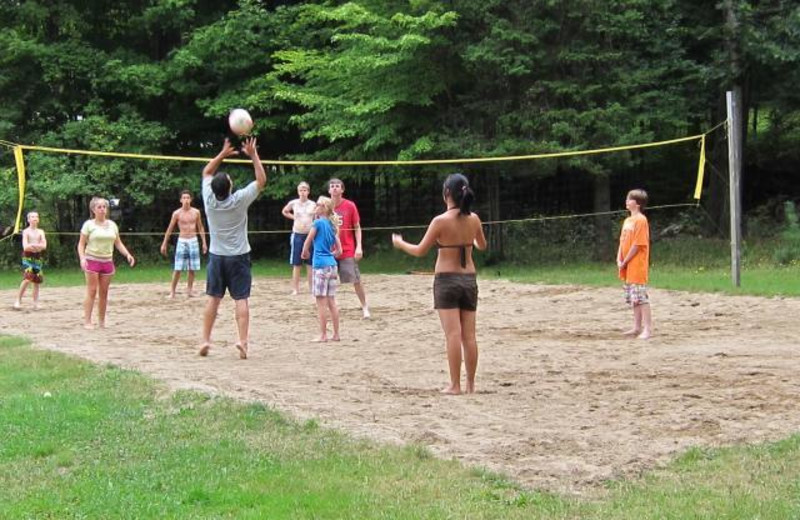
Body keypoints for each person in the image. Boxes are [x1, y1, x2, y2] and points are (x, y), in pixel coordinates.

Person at [392, 173, 487, 395]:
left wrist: (400, 243)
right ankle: (471, 385)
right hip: (469, 280)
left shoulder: (440, 221)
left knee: (453, 334)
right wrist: (467, 239)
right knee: (469, 336)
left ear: (447, 194)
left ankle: (455, 385)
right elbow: (482, 246)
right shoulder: (474, 219)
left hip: (446, 281)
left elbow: (419, 250)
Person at [199, 137, 266, 359]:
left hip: (217, 257)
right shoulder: (239, 200)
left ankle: (205, 340)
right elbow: (261, 181)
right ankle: (243, 342)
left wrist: (221, 154)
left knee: (213, 299)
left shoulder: (209, 199)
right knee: (241, 299)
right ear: (230, 187)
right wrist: (253, 155)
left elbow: (207, 172)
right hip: (238, 257)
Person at [77, 197, 136, 329]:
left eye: (104, 207)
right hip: (92, 260)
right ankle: (87, 321)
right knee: (92, 291)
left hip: (107, 261)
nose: (103, 209)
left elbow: (118, 243)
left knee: (104, 292)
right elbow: (80, 244)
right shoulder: (88, 225)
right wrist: (82, 258)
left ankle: (102, 321)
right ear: (93, 209)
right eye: (99, 207)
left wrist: (127, 254)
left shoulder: (112, 225)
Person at [328, 177, 370, 318]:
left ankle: (364, 307)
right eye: (332, 186)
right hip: (329, 251)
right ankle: (331, 308)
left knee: (355, 280)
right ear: (329, 190)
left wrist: (359, 247)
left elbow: (357, 227)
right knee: (328, 281)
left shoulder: (350, 206)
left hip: (347, 249)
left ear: (342, 189)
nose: (335, 188)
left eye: (337, 186)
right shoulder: (325, 206)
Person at [302, 196, 343, 342]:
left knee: (321, 302)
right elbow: (339, 250)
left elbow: (308, 239)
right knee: (332, 301)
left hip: (320, 265)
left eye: (318, 205)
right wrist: (330, 254)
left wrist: (304, 251)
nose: (316, 207)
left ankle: (323, 335)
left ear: (324, 208)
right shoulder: (332, 226)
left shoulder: (318, 223)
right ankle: (336, 334)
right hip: (332, 265)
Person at [617, 189, 653, 339]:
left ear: (637, 204)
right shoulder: (627, 221)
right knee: (633, 298)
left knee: (641, 297)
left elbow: (638, 244)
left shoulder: (641, 220)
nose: (627, 201)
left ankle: (648, 329)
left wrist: (625, 261)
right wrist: (619, 258)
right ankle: (636, 327)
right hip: (627, 265)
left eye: (629, 199)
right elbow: (622, 241)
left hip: (636, 265)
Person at [160, 190, 208, 298]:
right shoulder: (177, 213)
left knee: (192, 268)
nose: (186, 200)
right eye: (184, 198)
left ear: (191, 199)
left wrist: (204, 242)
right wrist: (164, 243)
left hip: (193, 240)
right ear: (181, 200)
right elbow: (170, 229)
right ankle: (172, 291)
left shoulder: (196, 212)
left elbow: (200, 227)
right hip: (182, 240)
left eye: (188, 197)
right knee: (178, 268)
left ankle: (189, 291)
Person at [281, 181, 316, 295]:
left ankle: (312, 288)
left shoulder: (313, 204)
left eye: (305, 190)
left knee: (310, 263)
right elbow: (285, 211)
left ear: (308, 192)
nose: (303, 192)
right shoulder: (294, 203)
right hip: (297, 234)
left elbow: (318, 216)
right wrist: (293, 217)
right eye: (301, 190)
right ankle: (295, 289)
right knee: (297, 263)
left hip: (310, 235)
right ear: (298, 191)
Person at [13, 211, 47, 310]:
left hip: (37, 257)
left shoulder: (41, 232)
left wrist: (34, 246)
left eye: (36, 216)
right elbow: (25, 247)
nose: (35, 218)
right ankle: (18, 300)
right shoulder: (26, 231)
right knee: (27, 278)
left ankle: (35, 303)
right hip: (27, 257)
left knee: (37, 280)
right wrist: (37, 246)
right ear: (28, 220)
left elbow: (44, 246)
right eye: (32, 217)